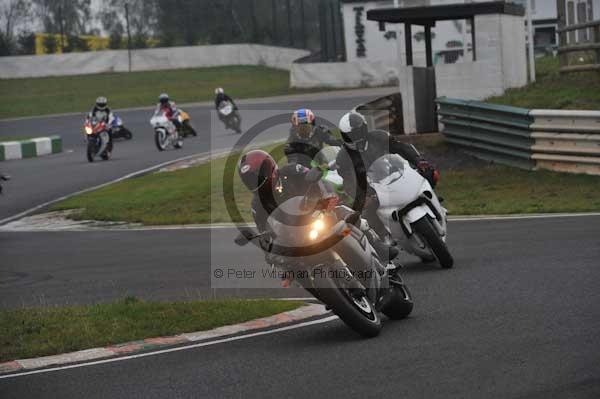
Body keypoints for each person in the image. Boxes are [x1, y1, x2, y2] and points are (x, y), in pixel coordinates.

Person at [237, 150, 398, 261]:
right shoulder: (257, 204)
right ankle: (327, 290)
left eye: (258, 176)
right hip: (294, 234)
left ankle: (376, 244)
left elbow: (315, 178)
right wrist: (269, 250)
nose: (256, 182)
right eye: (251, 179)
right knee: (288, 265)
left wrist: (326, 197)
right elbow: (264, 231)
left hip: (316, 212)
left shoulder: (291, 171)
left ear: (269, 168)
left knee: (343, 213)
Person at [335, 111, 438, 242]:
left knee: (430, 174)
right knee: (367, 218)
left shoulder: (379, 136)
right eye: (351, 135)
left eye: (358, 132)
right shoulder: (343, 157)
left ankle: (434, 203)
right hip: (372, 189)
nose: (356, 138)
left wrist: (419, 161)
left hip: (396, 173)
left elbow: (402, 148)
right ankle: (384, 244)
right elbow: (348, 182)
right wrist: (363, 197)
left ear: (365, 129)